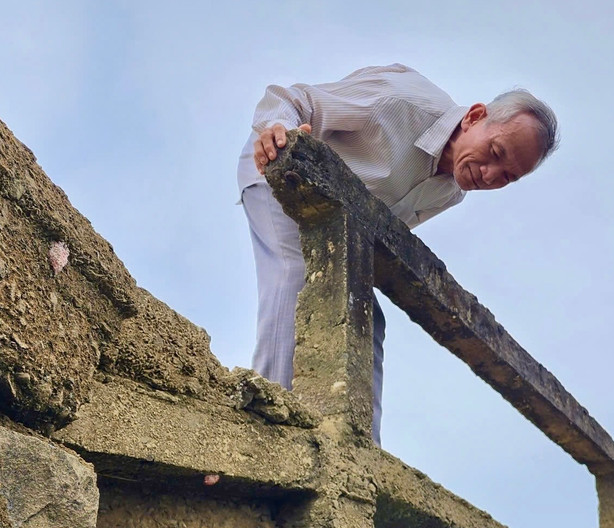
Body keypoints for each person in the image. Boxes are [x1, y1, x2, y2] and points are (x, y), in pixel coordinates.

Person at [238, 63, 558, 442]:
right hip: (280, 173)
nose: (490, 175)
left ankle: (358, 446)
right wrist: (277, 131)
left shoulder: (451, 190)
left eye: (507, 176)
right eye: (494, 152)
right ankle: (259, 423)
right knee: (297, 277)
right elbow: (295, 98)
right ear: (474, 117)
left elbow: (383, 233)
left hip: (339, 221)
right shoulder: (401, 102)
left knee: (366, 315)